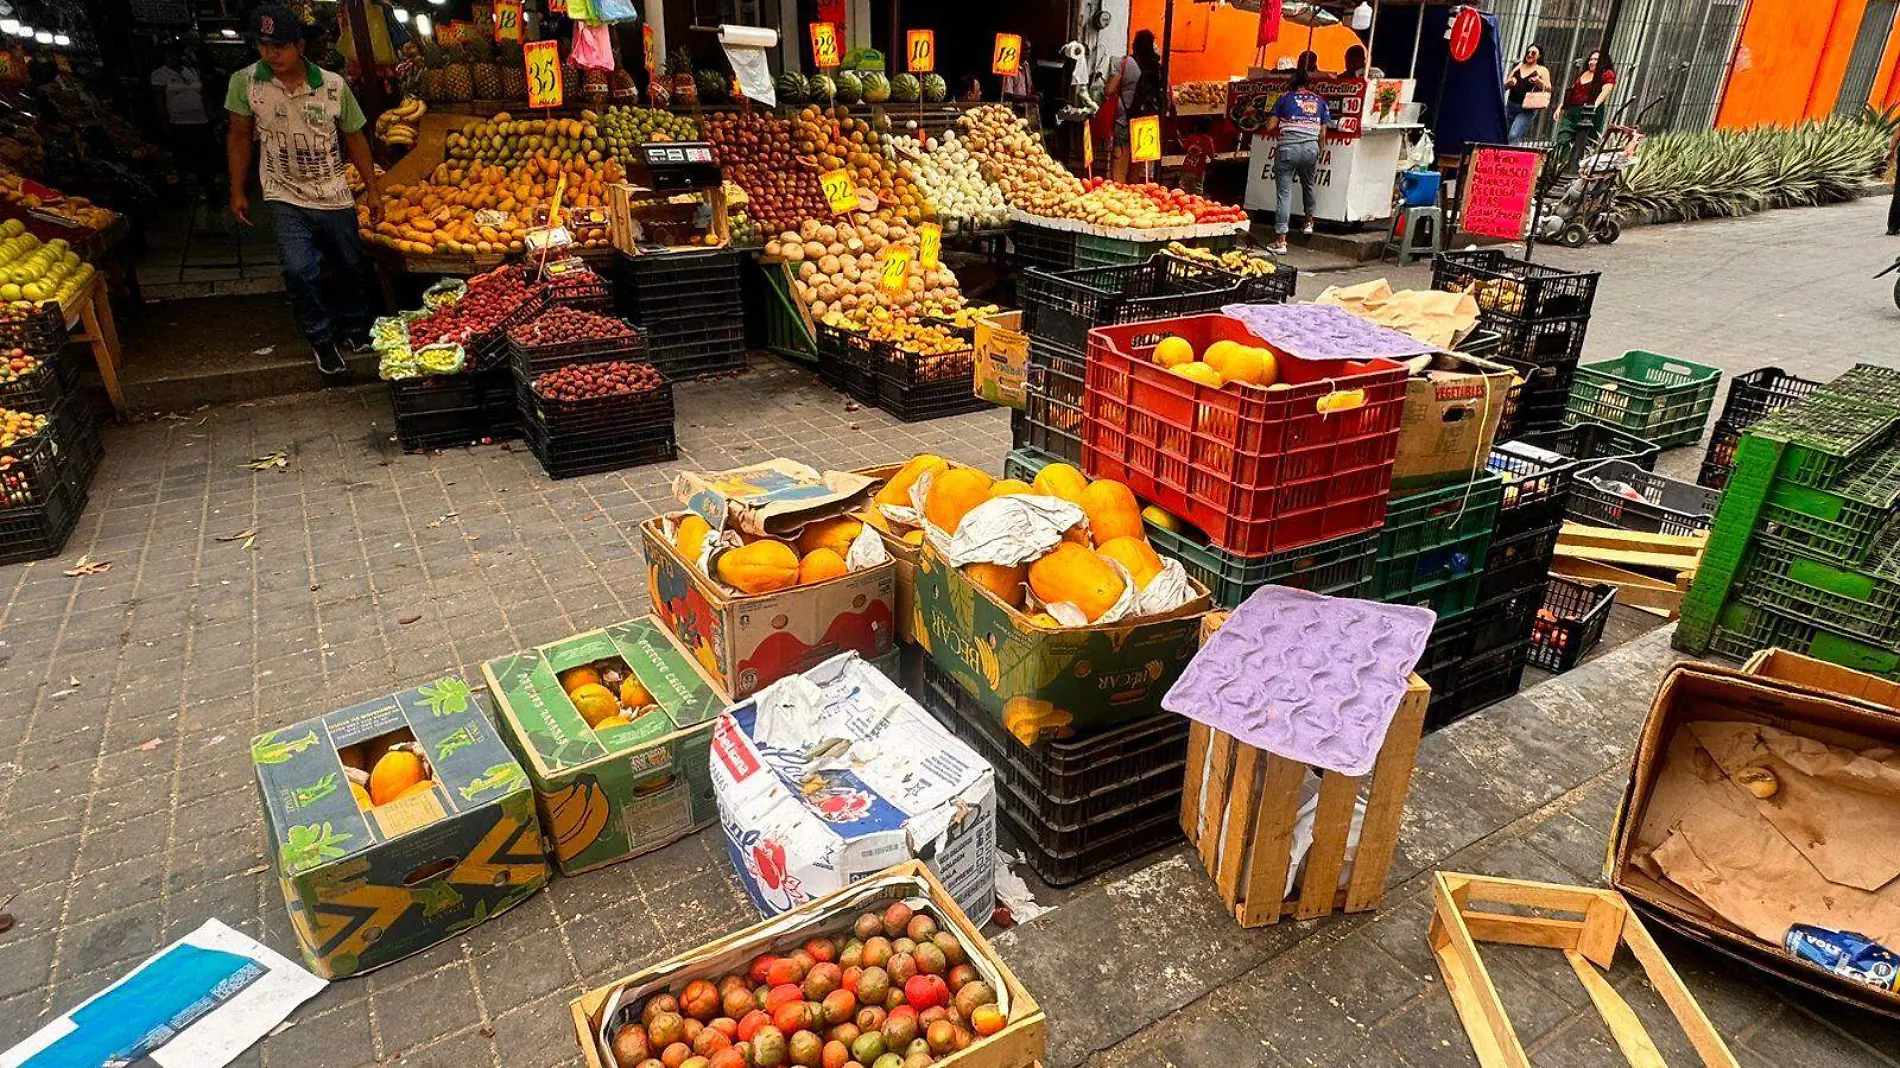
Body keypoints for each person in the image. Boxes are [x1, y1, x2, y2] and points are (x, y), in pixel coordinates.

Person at [225, 4, 381, 385]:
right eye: (263, 45)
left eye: (279, 46)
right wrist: (237, 189)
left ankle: (354, 328)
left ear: (299, 45)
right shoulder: (245, 84)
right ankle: (321, 339)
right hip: (283, 193)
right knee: (299, 269)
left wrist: (374, 191)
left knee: (349, 263)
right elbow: (239, 136)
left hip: (333, 191)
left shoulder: (332, 85)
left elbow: (355, 137)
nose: (270, 54)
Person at [1265, 68, 1329, 255]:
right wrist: (1319, 150)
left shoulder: (1284, 99)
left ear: (1292, 84)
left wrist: (1269, 114)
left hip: (1288, 149)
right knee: (1309, 185)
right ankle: (1309, 223)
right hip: (1311, 148)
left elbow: (1270, 126)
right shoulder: (1320, 102)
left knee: (1284, 193)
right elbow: (1323, 133)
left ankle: (1281, 242)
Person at [151, 44, 219, 202]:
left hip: (200, 121)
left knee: (206, 157)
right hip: (178, 123)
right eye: (173, 55)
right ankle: (183, 194)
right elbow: (159, 100)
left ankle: (209, 189)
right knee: (183, 159)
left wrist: (210, 112)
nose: (177, 58)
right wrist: (164, 121)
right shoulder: (159, 74)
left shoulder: (191, 71)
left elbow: (203, 94)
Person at [1105, 29, 1165, 182]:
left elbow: (1109, 89)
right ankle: (1135, 200)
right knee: (1136, 172)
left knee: (1119, 170)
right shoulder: (1157, 67)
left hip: (1124, 121)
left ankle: (1119, 202)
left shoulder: (1124, 63)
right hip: (1146, 124)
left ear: (1134, 44)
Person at [1552, 50, 1615, 170]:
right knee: (1563, 138)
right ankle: (1562, 166)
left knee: (1587, 142)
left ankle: (1580, 169)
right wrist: (1561, 107)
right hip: (1572, 110)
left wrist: (1594, 106)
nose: (1592, 62)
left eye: (1596, 59)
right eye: (1591, 59)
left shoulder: (1607, 74)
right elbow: (1573, 92)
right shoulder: (1583, 74)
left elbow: (1606, 91)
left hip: (1590, 112)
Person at [1504, 44, 1552, 145]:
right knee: (1505, 134)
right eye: (1528, 52)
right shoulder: (1519, 66)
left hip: (1527, 108)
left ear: (1539, 56)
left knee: (1514, 134)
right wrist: (1510, 82)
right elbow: (1504, 86)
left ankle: (1511, 157)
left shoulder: (1542, 70)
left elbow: (1549, 88)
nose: (1530, 55)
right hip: (1511, 105)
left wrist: (1538, 81)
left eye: (1533, 53)